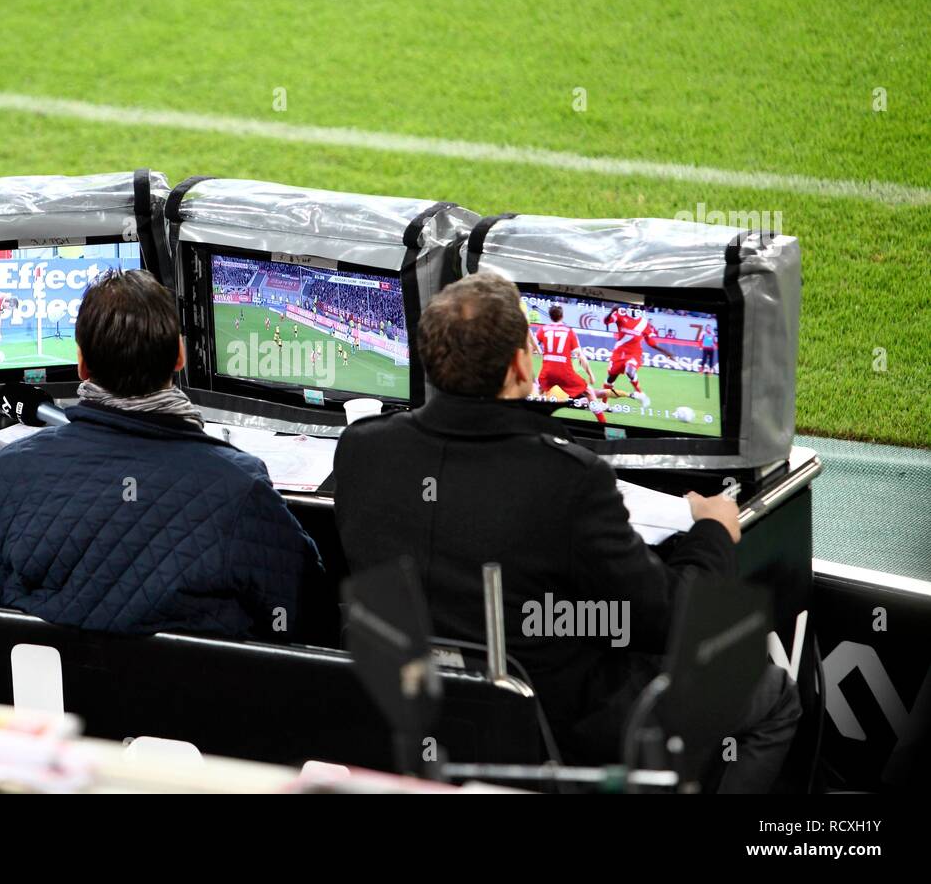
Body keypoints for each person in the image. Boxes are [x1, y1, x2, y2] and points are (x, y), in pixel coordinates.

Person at [333, 274, 799, 790]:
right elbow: (672, 622)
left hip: (413, 715)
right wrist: (712, 530)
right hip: (557, 727)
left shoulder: (361, 449)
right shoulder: (567, 478)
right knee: (775, 697)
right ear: (519, 365)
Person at [0, 269, 326, 641]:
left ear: (81, 363)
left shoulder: (11, 470)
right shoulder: (238, 486)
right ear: (179, 356)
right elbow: (306, 612)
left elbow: (4, 591)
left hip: (53, 695)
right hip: (203, 694)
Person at [533, 305, 607, 425]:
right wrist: (590, 374)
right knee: (588, 391)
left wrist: (537, 351)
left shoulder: (543, 329)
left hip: (547, 373)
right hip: (564, 373)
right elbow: (581, 356)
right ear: (562, 315)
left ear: (551, 316)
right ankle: (603, 423)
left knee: (538, 390)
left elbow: (532, 348)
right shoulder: (569, 331)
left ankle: (533, 421)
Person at [602, 304, 679, 408]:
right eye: (633, 306)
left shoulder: (644, 323)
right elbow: (606, 321)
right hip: (619, 353)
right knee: (611, 379)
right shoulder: (620, 314)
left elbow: (651, 343)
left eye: (637, 307)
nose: (635, 308)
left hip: (634, 353)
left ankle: (640, 394)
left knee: (630, 370)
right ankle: (604, 404)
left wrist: (666, 353)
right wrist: (612, 311)